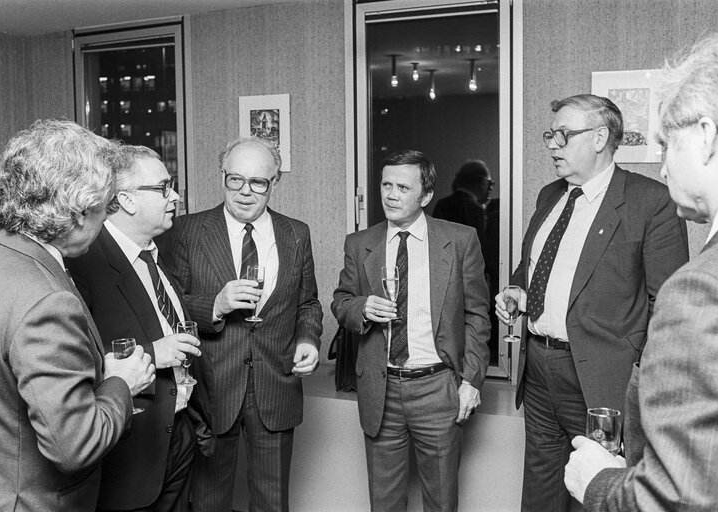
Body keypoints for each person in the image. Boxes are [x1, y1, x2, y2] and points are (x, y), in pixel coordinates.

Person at [494, 94, 688, 511]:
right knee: (542, 490)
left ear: (600, 138)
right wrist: (517, 291)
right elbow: (534, 267)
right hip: (539, 370)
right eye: (551, 135)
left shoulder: (649, 202)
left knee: (598, 490)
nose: (551, 144)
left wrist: (638, 376)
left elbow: (669, 309)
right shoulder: (550, 195)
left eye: (563, 135)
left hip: (603, 378)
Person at [565, 33, 718, 511]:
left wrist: (599, 482)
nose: (661, 168)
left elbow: (679, 497)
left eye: (665, 145)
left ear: (704, 136)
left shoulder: (704, 287)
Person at [0, 119, 155, 511]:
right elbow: (75, 445)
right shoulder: (47, 301)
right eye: (106, 208)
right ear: (79, 211)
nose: (107, 219)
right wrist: (119, 382)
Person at [158, 136, 322, 512]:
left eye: (258, 183)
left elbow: (307, 302)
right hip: (212, 388)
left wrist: (308, 340)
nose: (245, 192)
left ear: (274, 183)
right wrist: (215, 304)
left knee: (271, 501)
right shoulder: (186, 230)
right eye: (236, 180)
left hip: (276, 385)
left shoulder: (296, 233)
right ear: (222, 177)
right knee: (209, 501)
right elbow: (168, 307)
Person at [332, 149, 491, 511]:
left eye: (403, 187)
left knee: (440, 500)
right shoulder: (360, 244)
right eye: (386, 184)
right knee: (385, 502)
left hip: (438, 387)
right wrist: (362, 308)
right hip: (380, 388)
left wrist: (471, 381)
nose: (390, 194)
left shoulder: (460, 240)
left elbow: (478, 316)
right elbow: (341, 302)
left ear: (426, 195)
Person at [66, 145, 214, 512]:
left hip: (177, 433)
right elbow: (70, 362)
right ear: (127, 200)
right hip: (130, 451)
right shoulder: (84, 262)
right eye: (164, 187)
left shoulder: (155, 250)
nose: (175, 196)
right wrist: (153, 352)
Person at [433, 159, 500, 361]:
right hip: (469, 283)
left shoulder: (442, 205)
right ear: (480, 182)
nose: (491, 188)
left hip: (441, 284)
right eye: (490, 183)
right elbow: (485, 254)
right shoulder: (475, 210)